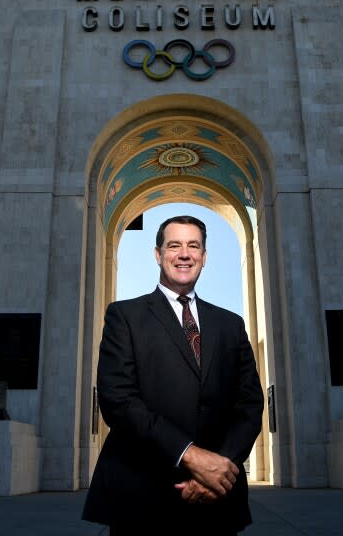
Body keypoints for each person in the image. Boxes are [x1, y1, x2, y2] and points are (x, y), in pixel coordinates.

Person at [82, 215, 264, 536]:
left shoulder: (230, 325)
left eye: (193, 246)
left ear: (204, 257)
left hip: (217, 501)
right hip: (141, 496)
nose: (184, 254)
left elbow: (249, 405)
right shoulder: (124, 316)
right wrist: (191, 456)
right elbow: (118, 400)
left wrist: (219, 472)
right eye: (174, 245)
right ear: (158, 254)